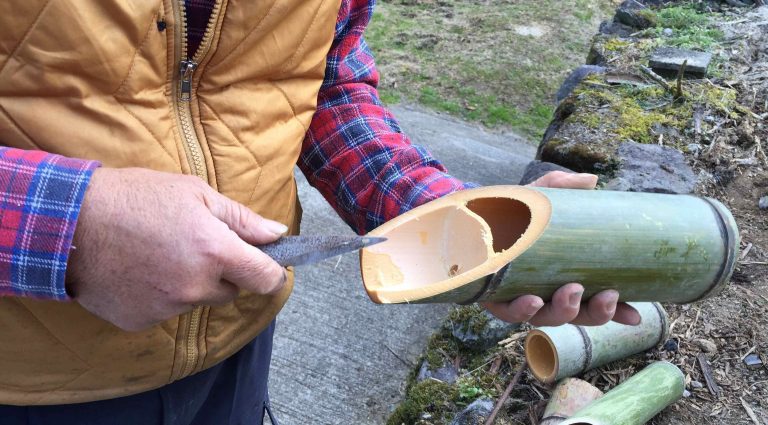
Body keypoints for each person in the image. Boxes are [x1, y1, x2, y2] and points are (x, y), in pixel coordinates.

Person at [0, 0, 639, 423]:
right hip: (26, 373)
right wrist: (67, 224)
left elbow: (318, 79)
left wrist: (440, 217)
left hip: (236, 341)